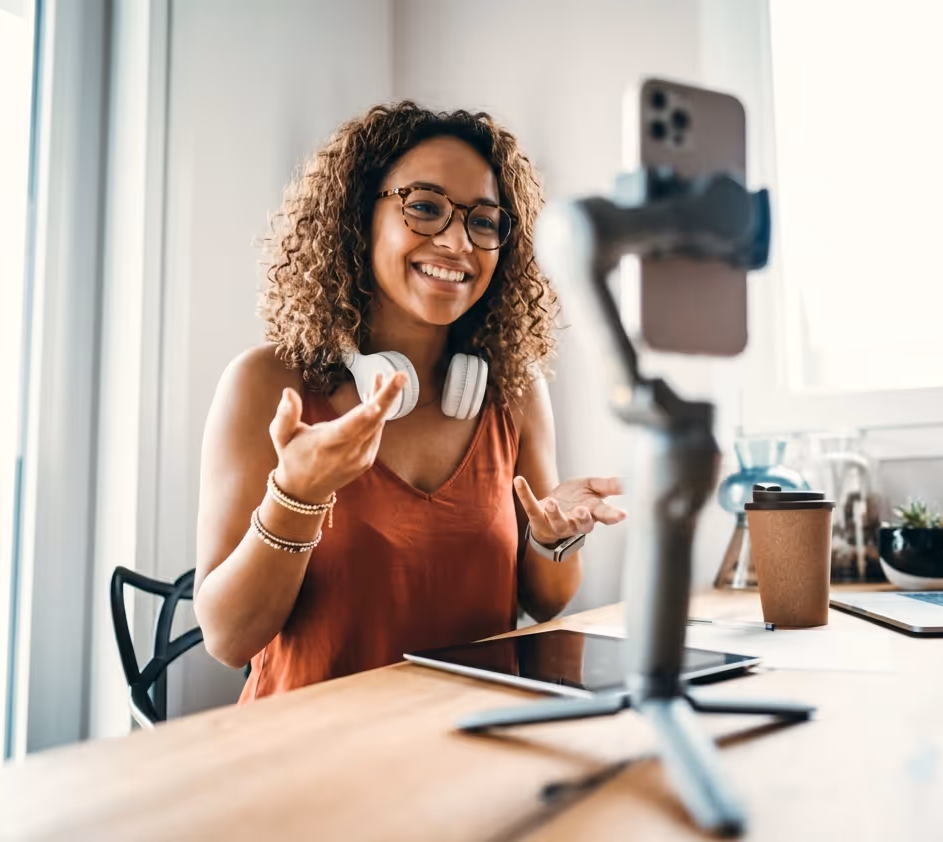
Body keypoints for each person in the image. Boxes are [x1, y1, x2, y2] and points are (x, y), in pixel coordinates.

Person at [193, 101, 626, 701]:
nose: (456, 242)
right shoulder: (267, 385)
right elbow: (226, 638)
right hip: (308, 763)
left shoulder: (514, 390)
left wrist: (555, 538)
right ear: (357, 218)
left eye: (483, 221)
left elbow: (545, 598)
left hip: (470, 749)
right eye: (424, 208)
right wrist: (296, 496)